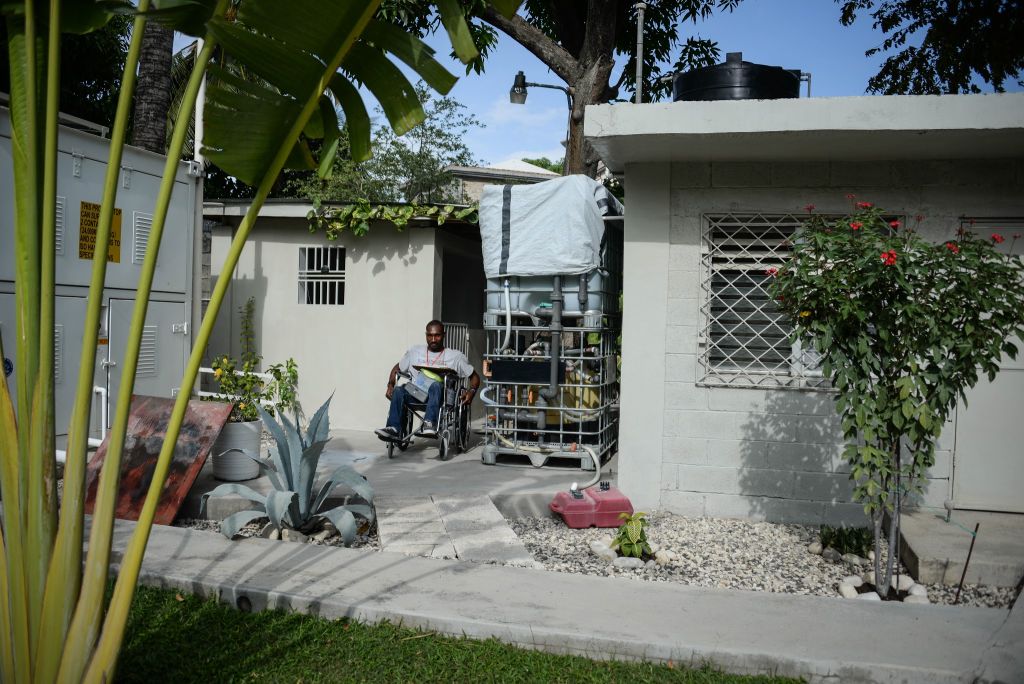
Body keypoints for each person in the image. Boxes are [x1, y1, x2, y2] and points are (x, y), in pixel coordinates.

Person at [375, 320, 480, 441]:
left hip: (442, 397)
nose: (433, 339)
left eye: (437, 335)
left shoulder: (455, 356)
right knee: (399, 390)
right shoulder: (415, 351)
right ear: (426, 335)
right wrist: (390, 384)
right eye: (430, 335)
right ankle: (393, 428)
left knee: (436, 385)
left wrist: (471, 391)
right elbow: (397, 368)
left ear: (444, 335)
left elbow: (474, 377)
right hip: (417, 395)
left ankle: (429, 423)